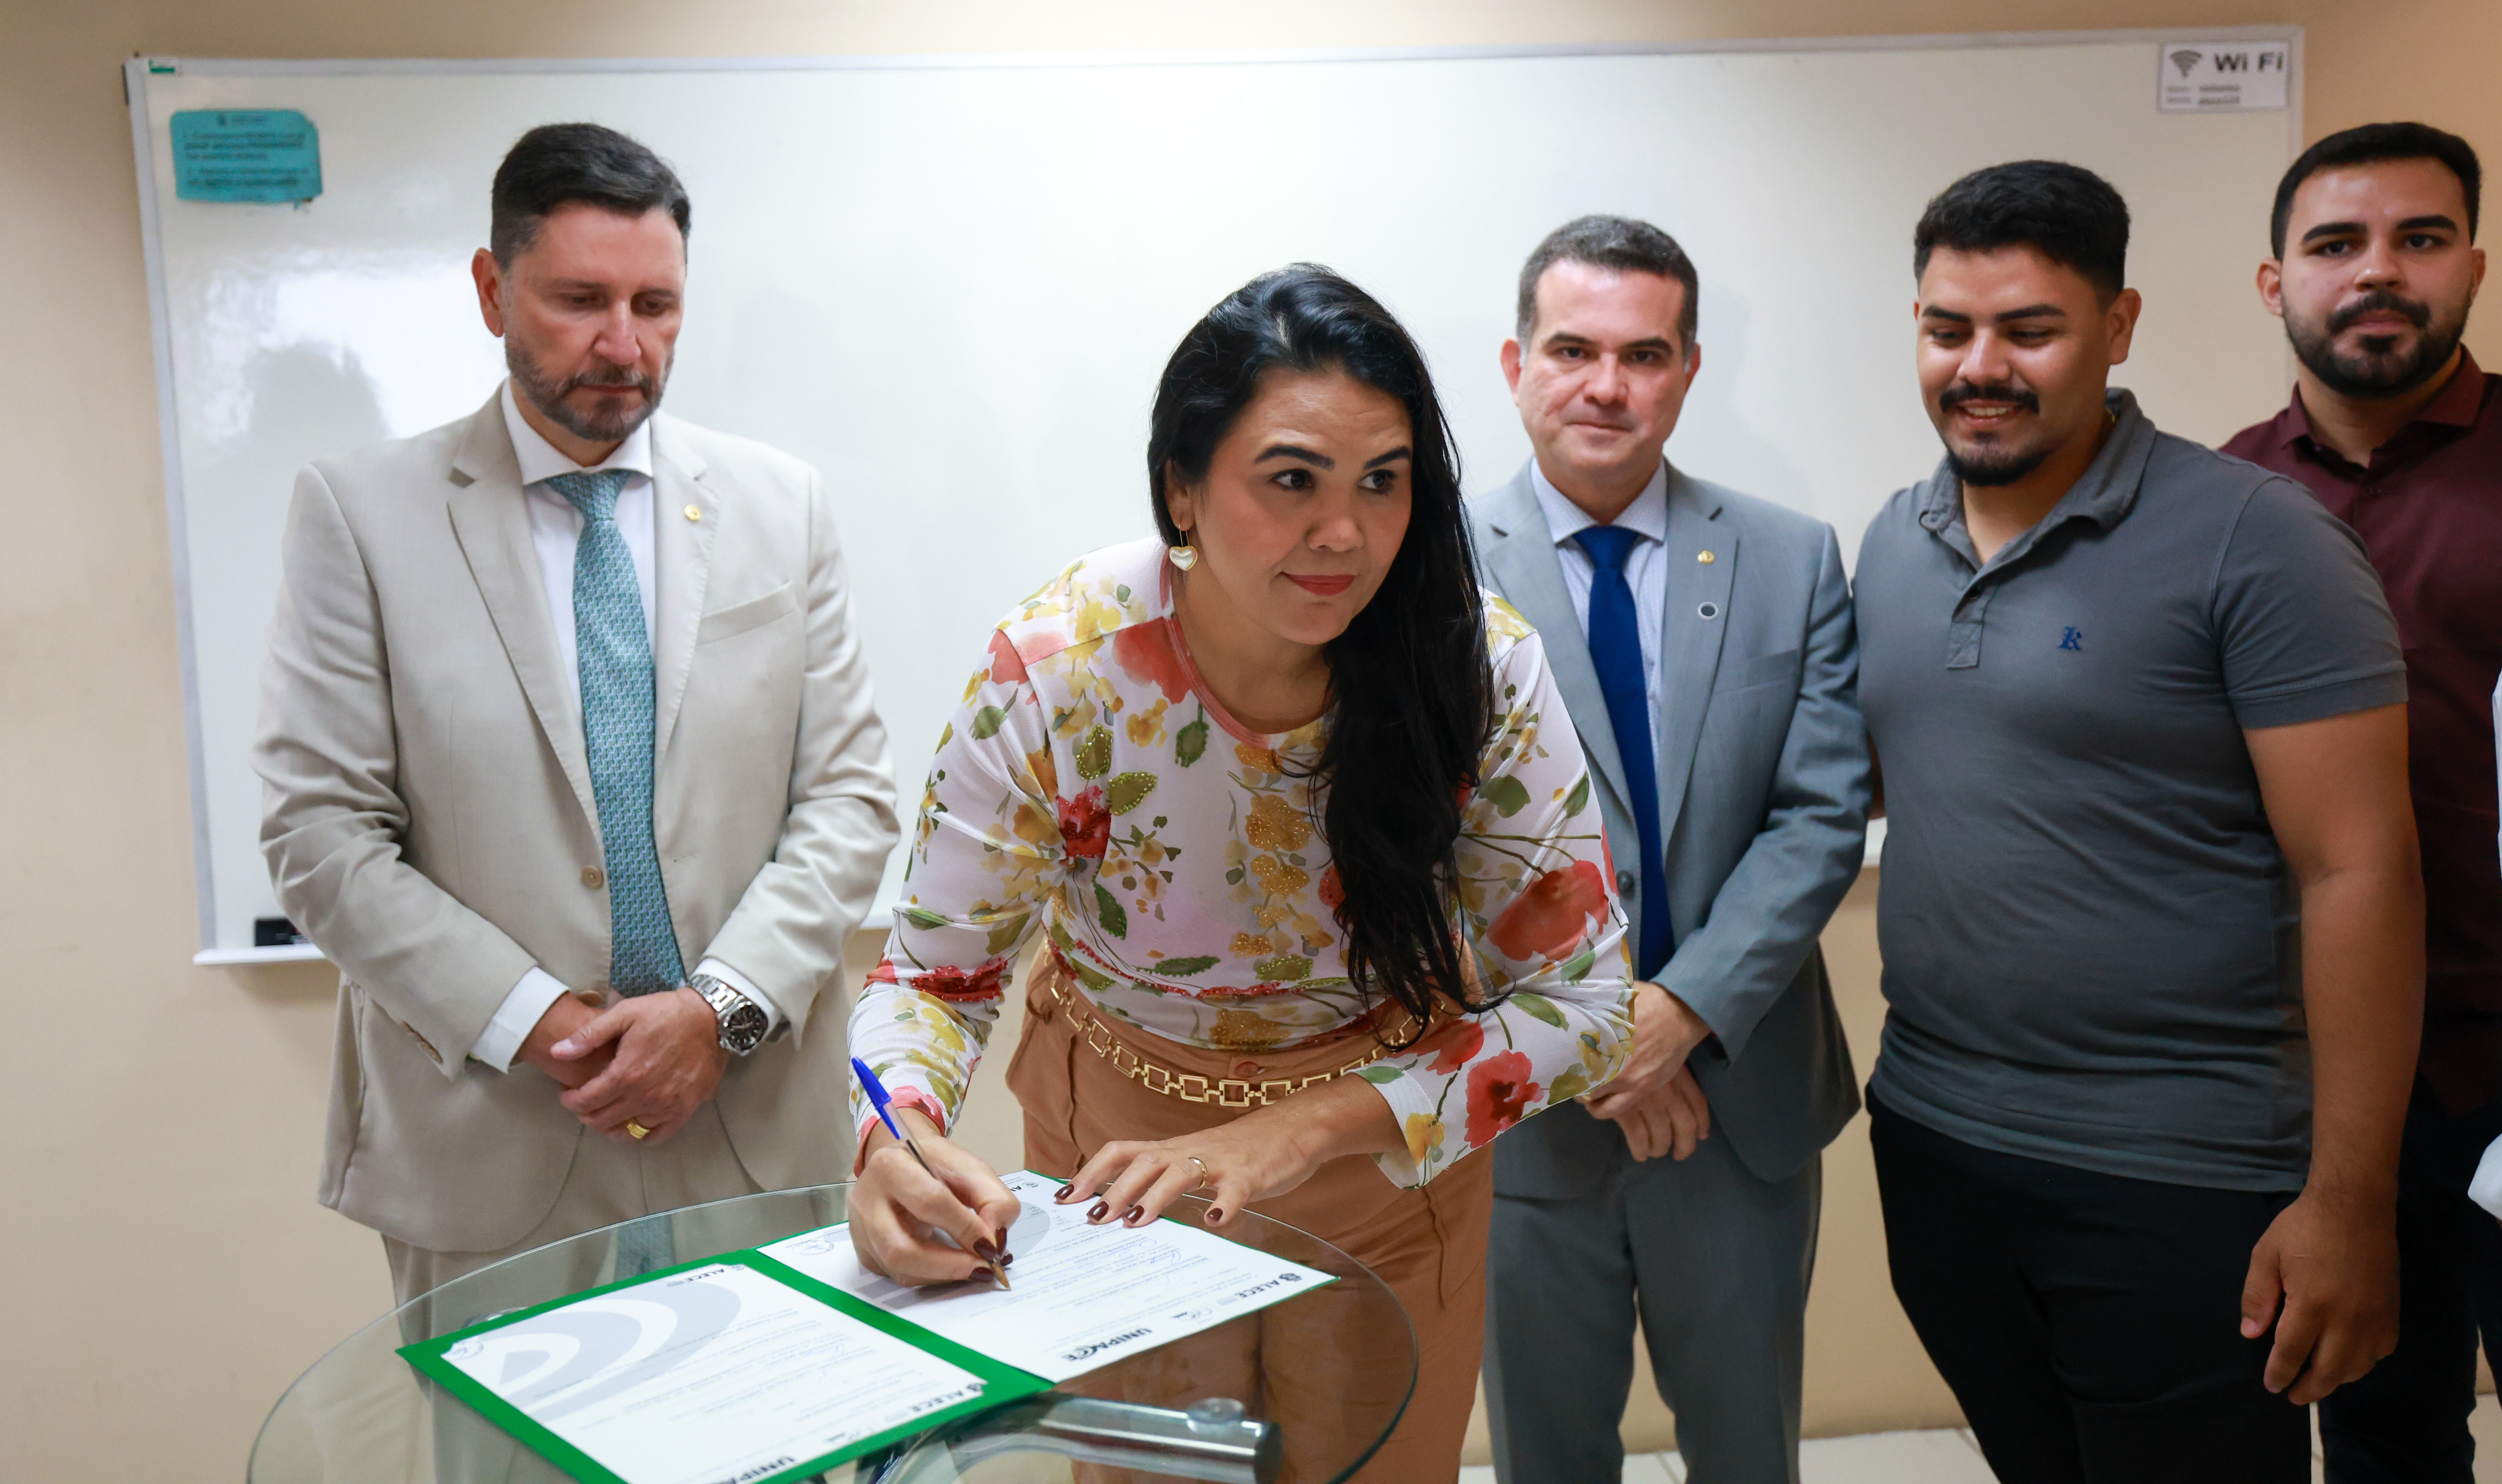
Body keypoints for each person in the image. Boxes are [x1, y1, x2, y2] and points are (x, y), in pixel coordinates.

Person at [844, 265, 1635, 1481]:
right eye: (1292, 480)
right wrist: (893, 1139)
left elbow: (1587, 1006)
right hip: (1119, 1165)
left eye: (1383, 480)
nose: (1346, 534)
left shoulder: (1476, 665)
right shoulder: (1060, 669)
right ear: (1182, 487)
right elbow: (933, 981)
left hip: (1383, 1148)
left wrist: (1300, 1130)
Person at [255, 123, 898, 1306]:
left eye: (656, 304)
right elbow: (323, 837)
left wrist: (717, 1013)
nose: (623, 344)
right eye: (580, 301)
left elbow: (849, 802)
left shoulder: (781, 505)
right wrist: (548, 1025)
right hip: (491, 1138)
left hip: (751, 1123)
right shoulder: (362, 516)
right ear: (492, 291)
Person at [1855, 160, 2422, 1482]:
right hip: (1934, 1140)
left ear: (2117, 329)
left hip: (2183, 1172)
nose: (1979, 367)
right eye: (1947, 328)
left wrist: (2350, 1202)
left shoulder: (2258, 542)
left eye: (2030, 330)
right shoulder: (1892, 538)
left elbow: (2362, 872)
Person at [1466, 216, 1869, 1484]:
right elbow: (1424, 844)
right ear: (1516, 364)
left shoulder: (1790, 557)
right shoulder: (1425, 573)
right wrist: (1598, 1039)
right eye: (1572, 350)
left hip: (1737, 1102)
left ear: (1689, 370)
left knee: (1748, 1454)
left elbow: (1819, 815)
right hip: (1527, 1108)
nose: (1607, 386)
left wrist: (1678, 1013)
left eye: (1644, 355)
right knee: (1547, 1459)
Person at [2219, 121, 2498, 1483]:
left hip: (2501, 1048)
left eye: (2420, 239)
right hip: (2318, 1077)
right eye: (2337, 244)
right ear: (2277, 283)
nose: (2378, 271)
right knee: (2384, 1436)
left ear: (2475, 267)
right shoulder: (2216, 500)